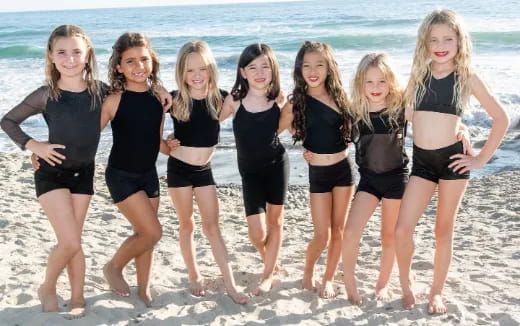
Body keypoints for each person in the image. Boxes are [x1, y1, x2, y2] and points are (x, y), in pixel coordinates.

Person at [395, 9, 509, 314]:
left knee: (442, 232)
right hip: (421, 163)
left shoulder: (466, 76)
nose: (441, 44)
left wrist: (481, 158)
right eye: (434, 39)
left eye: (448, 38)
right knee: (402, 230)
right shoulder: (418, 74)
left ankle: (436, 293)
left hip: (452, 162)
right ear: (424, 42)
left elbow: (502, 118)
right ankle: (406, 286)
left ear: (460, 41)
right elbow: (405, 116)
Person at [0, 25, 104, 318]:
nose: (70, 59)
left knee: (74, 241)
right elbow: (8, 121)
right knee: (70, 240)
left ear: (87, 55)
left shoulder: (100, 90)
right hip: (51, 173)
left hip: (84, 173)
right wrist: (35, 146)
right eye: (62, 52)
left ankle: (78, 296)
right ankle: (47, 287)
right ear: (51, 56)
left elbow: (133, 95)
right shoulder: (47, 94)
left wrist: (159, 90)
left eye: (76, 52)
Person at [166, 40, 248, 304]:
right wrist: (165, 143)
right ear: (181, 72)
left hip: (204, 171)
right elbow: (146, 123)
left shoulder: (220, 99)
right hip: (178, 170)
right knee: (186, 224)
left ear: (211, 68)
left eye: (202, 68)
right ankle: (194, 275)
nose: (197, 75)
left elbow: (255, 102)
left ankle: (231, 285)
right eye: (190, 70)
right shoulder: (174, 100)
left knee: (213, 227)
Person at [278, 41, 354, 299]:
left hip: (344, 170)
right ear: (299, 69)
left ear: (329, 68)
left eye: (319, 64)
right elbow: (268, 132)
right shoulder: (294, 104)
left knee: (339, 231)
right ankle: (308, 269)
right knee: (322, 235)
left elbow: (363, 126)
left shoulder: (342, 98)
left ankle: (329, 278)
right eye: (307, 65)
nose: (313, 70)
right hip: (319, 175)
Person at [100, 32, 169, 307]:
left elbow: (158, 141)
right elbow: (87, 136)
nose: (139, 67)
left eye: (144, 59)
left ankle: (143, 288)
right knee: (152, 232)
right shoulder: (114, 100)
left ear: (152, 61)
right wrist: (45, 154)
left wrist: (171, 144)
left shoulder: (159, 99)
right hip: (121, 175)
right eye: (130, 61)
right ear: (118, 66)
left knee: (145, 235)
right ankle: (113, 267)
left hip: (148, 174)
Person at [219, 43, 288, 296]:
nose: (260, 72)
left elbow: (298, 128)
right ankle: (269, 256)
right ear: (243, 72)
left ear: (273, 70)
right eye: (252, 67)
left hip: (276, 166)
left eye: (265, 66)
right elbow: (208, 122)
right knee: (257, 233)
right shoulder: (234, 101)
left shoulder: (279, 100)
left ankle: (268, 275)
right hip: (249, 173)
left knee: (275, 221)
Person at [340, 53, 409, 305]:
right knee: (350, 233)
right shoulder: (354, 111)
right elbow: (329, 134)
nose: (375, 88)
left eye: (381, 81)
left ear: (390, 81)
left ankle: (382, 284)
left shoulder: (400, 108)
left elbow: (433, 118)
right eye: (369, 82)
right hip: (368, 181)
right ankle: (350, 284)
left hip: (395, 180)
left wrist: (463, 129)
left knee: (388, 236)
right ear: (360, 83)